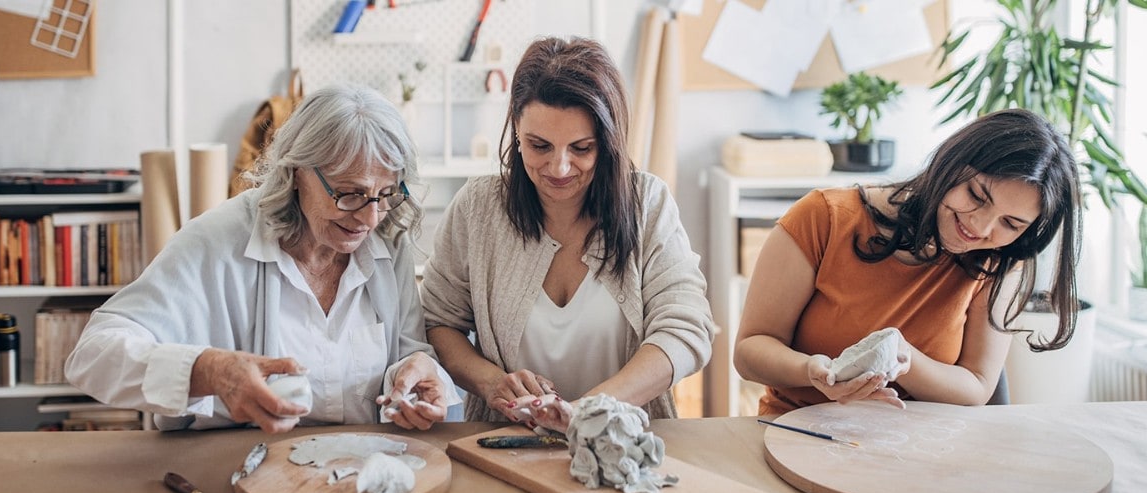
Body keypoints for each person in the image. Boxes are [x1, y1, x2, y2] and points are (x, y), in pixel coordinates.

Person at [66, 84, 459, 433]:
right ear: (297, 171)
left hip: (357, 475)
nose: (370, 218)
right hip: (233, 473)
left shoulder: (386, 239)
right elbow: (93, 354)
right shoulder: (216, 241)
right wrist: (208, 371)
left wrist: (418, 374)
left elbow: (409, 352)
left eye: (386, 193)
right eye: (349, 194)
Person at [420, 36, 714, 430]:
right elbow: (438, 322)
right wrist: (490, 383)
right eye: (539, 145)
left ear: (608, 144)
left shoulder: (648, 203)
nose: (559, 168)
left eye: (581, 148)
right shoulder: (478, 207)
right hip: (506, 443)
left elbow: (685, 330)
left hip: (622, 440)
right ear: (516, 132)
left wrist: (588, 410)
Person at [733, 108, 1082, 416]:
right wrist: (811, 371)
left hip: (918, 446)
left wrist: (905, 360)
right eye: (976, 195)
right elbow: (750, 351)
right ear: (950, 162)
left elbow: (977, 385)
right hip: (799, 432)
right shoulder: (825, 218)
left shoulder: (999, 262)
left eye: (1011, 223)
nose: (980, 227)